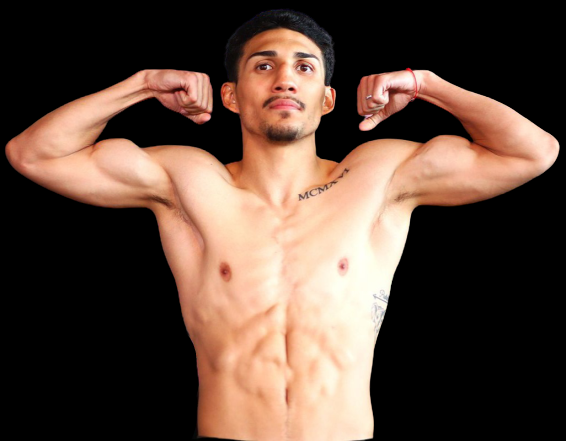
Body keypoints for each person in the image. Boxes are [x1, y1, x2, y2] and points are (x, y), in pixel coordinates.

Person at [5, 9, 559, 441]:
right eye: (264, 66)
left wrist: (425, 84)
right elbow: (35, 155)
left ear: (327, 99)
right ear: (230, 95)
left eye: (305, 67)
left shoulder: (377, 175)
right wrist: (144, 84)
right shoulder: (190, 181)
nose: (285, 80)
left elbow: (532, 152)